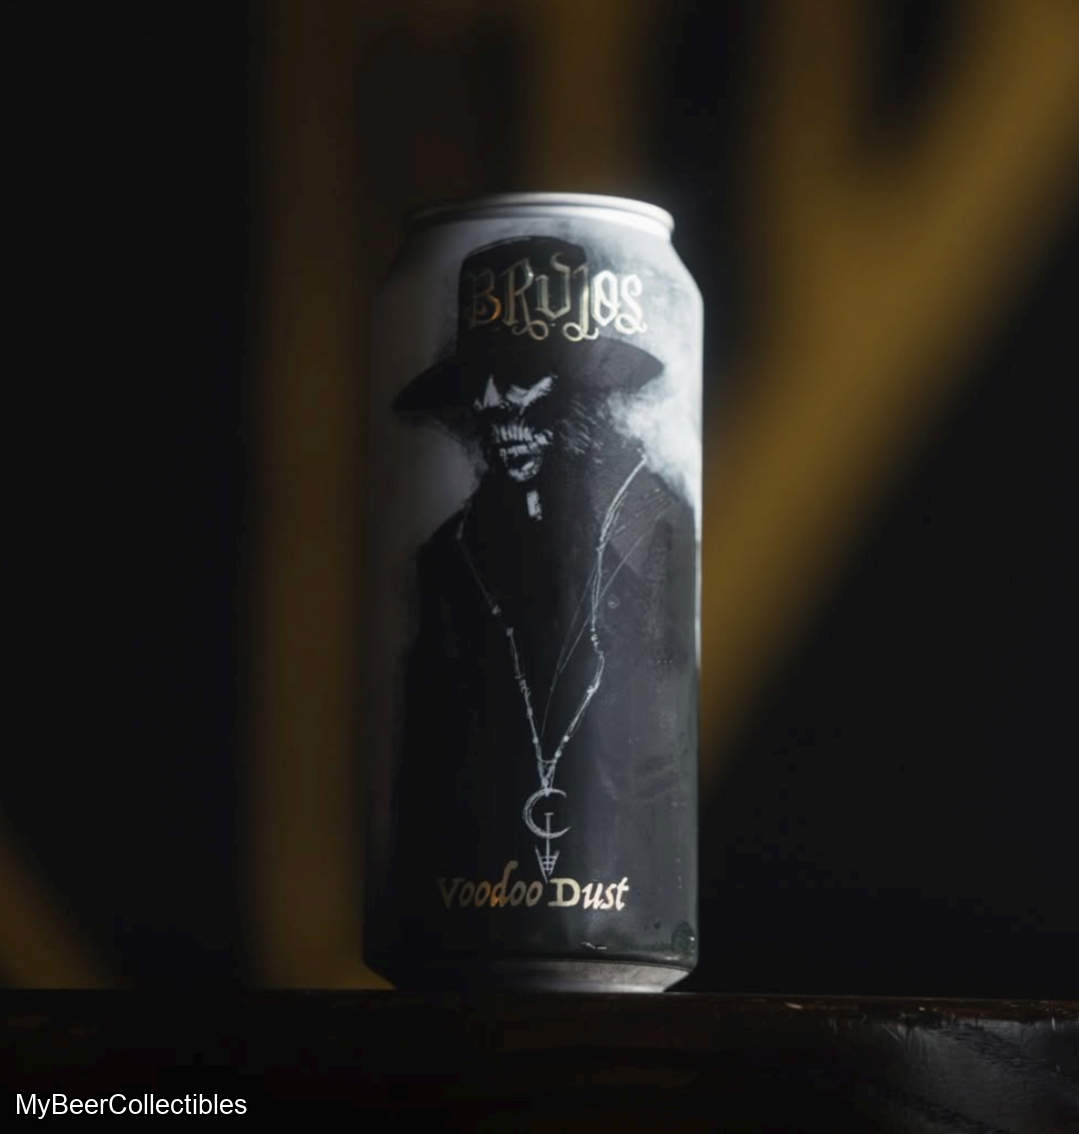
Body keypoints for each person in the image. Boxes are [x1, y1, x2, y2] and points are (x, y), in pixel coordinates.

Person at [388, 237, 696, 943]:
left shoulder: (662, 531)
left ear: (588, 393)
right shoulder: (446, 559)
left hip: (637, 917)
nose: (492, 405)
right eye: (480, 383)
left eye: (522, 377)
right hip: (466, 919)